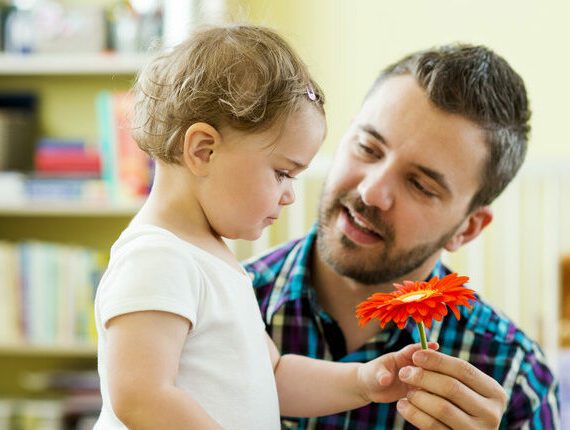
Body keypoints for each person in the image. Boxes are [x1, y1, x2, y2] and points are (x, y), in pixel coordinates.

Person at [93, 24, 439, 430]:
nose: (290, 194)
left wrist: (362, 381)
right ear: (203, 151)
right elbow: (140, 395)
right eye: (282, 173)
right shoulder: (156, 256)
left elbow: (273, 376)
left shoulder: (211, 258)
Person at [244, 44, 560, 429]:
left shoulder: (515, 377)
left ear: (468, 228)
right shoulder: (218, 307)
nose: (371, 192)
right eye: (367, 148)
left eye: (420, 185)